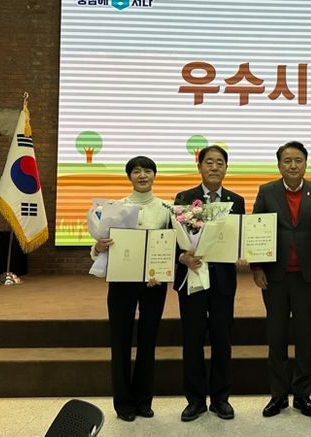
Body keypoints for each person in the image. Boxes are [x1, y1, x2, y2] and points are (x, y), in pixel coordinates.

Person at [251, 141, 311, 418]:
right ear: (279, 165)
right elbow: (256, 230)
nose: (293, 165)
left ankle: (303, 395)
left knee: (304, 336)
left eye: (298, 160)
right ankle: (278, 395)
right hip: (275, 276)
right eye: (287, 160)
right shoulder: (267, 191)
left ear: (305, 164)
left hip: (306, 275)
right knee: (276, 336)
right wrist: (256, 267)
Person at [90, 156, 170, 422]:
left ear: (154, 175)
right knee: (120, 340)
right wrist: (98, 246)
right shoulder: (115, 208)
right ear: (129, 177)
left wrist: (161, 271)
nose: (142, 175)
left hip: (153, 283)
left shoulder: (166, 209)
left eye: (147, 170)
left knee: (148, 341)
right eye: (136, 171)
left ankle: (143, 401)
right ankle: (123, 403)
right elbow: (100, 247)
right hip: (121, 281)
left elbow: (170, 245)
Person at [173, 145, 245, 421]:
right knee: (192, 340)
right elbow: (174, 239)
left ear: (226, 168)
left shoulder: (236, 200)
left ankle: (220, 399)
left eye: (220, 163)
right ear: (200, 166)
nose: (214, 167)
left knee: (222, 340)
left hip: (223, 281)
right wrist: (183, 257)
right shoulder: (184, 198)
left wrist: (244, 253)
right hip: (193, 278)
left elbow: (239, 236)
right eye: (209, 162)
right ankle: (195, 400)